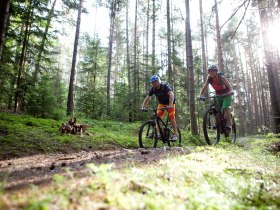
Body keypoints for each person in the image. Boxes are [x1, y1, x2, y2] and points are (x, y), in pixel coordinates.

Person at [141, 75, 178, 141]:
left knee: (171, 117)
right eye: (152, 82)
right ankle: (159, 133)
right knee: (158, 117)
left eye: (155, 82)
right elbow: (147, 98)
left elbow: (171, 95)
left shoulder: (164, 86)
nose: (153, 83)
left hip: (170, 103)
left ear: (158, 81)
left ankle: (175, 134)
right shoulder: (153, 89)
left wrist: (170, 105)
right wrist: (143, 107)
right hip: (162, 103)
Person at [199, 64, 234, 130]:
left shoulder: (221, 77)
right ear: (208, 72)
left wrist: (231, 91)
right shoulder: (209, 78)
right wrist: (200, 95)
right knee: (217, 109)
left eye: (213, 71)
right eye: (210, 71)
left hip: (227, 93)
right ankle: (217, 123)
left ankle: (228, 123)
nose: (211, 72)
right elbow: (204, 86)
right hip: (218, 94)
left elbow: (229, 85)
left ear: (216, 71)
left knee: (226, 107)